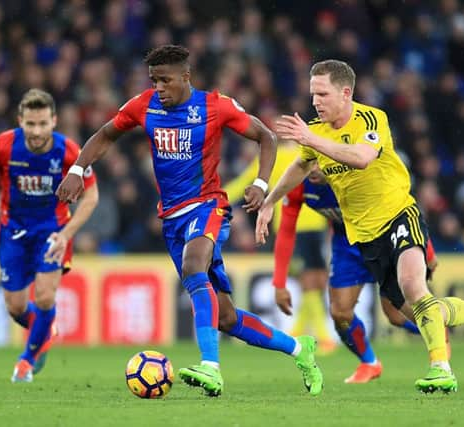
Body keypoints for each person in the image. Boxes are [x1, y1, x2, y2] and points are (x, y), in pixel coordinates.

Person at [55, 45, 323, 397]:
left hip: (207, 206)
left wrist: (261, 182)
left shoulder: (214, 106)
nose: (159, 88)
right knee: (225, 317)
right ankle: (299, 349)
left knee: (194, 264)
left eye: (165, 80)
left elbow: (266, 136)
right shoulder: (143, 105)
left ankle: (211, 367)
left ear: (186, 77)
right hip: (171, 219)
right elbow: (105, 134)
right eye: (154, 81)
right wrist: (78, 168)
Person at [256, 59, 464, 393]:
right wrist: (269, 202)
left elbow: (361, 157)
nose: (315, 102)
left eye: (322, 94)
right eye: (313, 94)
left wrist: (312, 140)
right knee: (416, 313)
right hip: (365, 238)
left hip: (398, 216)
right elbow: (300, 165)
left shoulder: (371, 118)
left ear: (345, 93)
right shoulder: (316, 133)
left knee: (414, 286)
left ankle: (440, 368)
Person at [0, 88, 99, 383]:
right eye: (30, 124)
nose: (37, 131)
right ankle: (45, 330)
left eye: (42, 123)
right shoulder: (4, 145)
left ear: (54, 121)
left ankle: (26, 361)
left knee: (44, 297)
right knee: (15, 307)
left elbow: (91, 195)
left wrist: (66, 234)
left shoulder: (69, 151)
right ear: (20, 121)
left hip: (52, 232)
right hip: (12, 231)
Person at [273, 165, 429, 383]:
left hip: (383, 239)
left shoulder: (357, 174)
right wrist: (279, 283)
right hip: (346, 246)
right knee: (339, 313)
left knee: (395, 314)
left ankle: (439, 334)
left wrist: (424, 247)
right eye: (309, 161)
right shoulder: (299, 185)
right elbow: (287, 230)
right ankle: (369, 362)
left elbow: (399, 202)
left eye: (319, 161)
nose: (314, 168)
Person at [225, 141, 335, 352]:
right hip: (312, 224)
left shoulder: (271, 158)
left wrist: (213, 198)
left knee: (314, 282)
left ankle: (298, 333)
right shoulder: (310, 154)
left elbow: (242, 184)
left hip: (294, 225)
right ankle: (323, 336)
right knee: (313, 281)